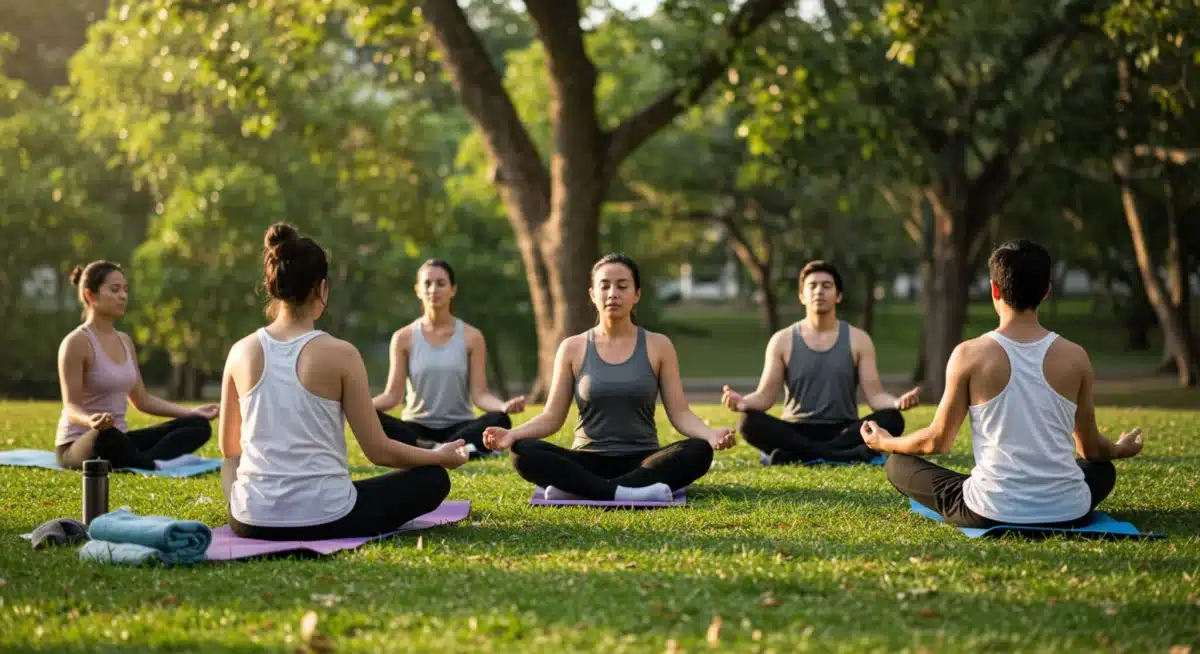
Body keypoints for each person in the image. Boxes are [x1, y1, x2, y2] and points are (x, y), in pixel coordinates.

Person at [860, 239, 1141, 528]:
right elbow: (1091, 450)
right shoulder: (1076, 356)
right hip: (1070, 511)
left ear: (995, 289)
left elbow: (937, 441)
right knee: (1102, 470)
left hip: (989, 511)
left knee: (898, 463)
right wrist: (1120, 449)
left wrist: (885, 441)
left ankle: (995, 494)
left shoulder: (968, 354)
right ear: (1046, 291)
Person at [218, 223, 468, 541]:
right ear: (322, 289)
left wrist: (241, 502)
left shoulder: (239, 352)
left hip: (250, 520)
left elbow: (229, 450)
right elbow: (379, 451)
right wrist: (440, 457)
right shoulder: (341, 353)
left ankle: (249, 506)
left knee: (234, 466)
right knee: (433, 479)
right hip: (326, 516)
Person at [481, 253, 736, 503]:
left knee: (698, 451)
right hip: (586, 461)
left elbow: (680, 413)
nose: (613, 293)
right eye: (605, 286)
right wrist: (512, 434)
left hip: (643, 461)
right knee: (522, 452)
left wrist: (710, 435)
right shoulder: (573, 347)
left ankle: (583, 491)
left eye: (622, 286)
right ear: (593, 294)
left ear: (637, 294)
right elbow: (552, 417)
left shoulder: (659, 346)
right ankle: (624, 493)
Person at [721, 260, 921, 465]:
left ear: (838, 295)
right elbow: (765, 396)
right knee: (748, 422)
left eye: (827, 286)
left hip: (844, 429)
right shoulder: (782, 340)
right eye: (812, 286)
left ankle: (801, 455)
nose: (819, 291)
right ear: (802, 295)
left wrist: (896, 403)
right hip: (796, 429)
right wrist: (743, 403)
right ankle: (844, 455)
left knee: (892, 419)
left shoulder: (858, 339)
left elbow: (875, 396)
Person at [55, 261, 218, 471]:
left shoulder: (125, 341)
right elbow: (71, 407)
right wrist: (92, 421)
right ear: (90, 296)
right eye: (115, 290)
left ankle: (144, 461)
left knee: (198, 426)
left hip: (121, 440)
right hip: (80, 444)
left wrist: (191, 412)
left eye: (125, 290)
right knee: (107, 436)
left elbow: (141, 400)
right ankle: (152, 464)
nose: (123, 296)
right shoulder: (76, 342)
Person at [372, 259, 524, 459]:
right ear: (418, 290)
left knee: (499, 419)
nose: (433, 289)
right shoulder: (403, 338)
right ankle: (453, 450)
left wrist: (503, 407)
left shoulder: (472, 337)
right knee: (372, 418)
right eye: (427, 283)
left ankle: (437, 449)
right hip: (416, 428)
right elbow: (392, 396)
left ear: (453, 290)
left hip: (460, 427)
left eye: (441, 283)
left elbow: (480, 395)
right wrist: (356, 406)